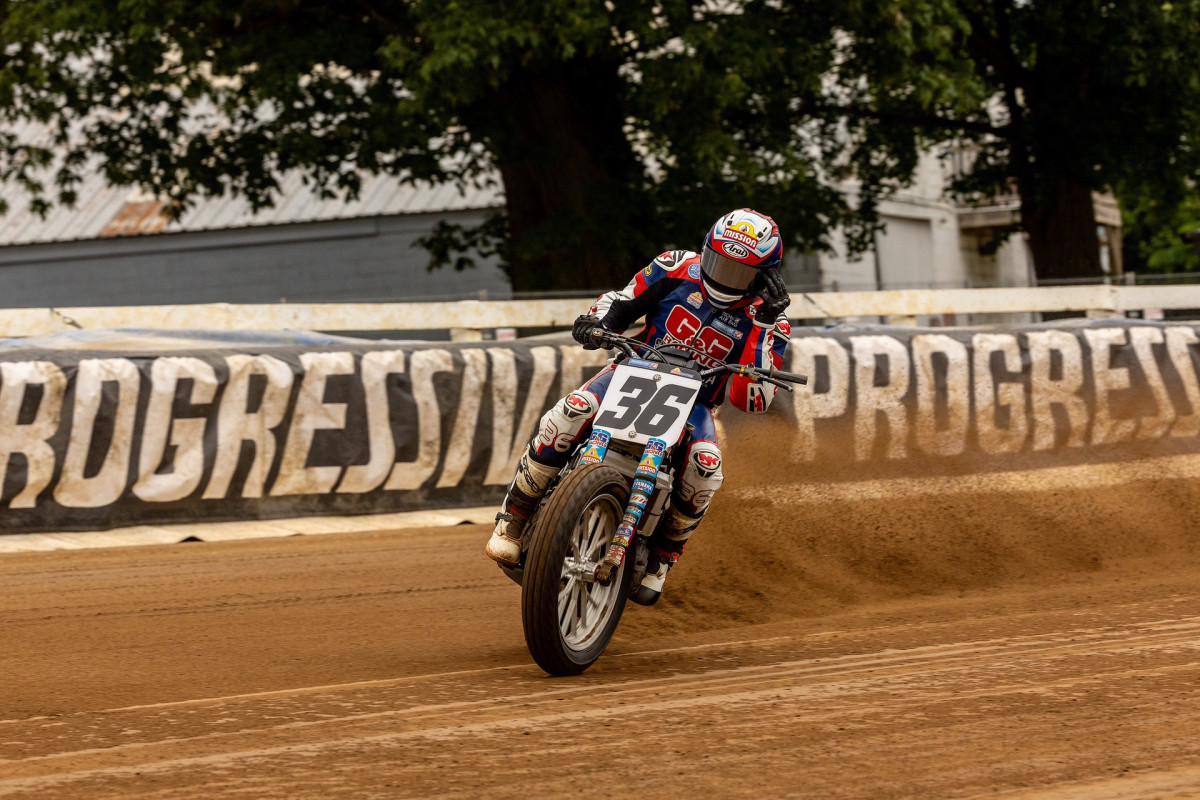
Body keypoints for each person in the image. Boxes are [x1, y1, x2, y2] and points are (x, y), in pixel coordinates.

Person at [485, 208, 792, 602]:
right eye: (719, 263)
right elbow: (622, 301)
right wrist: (596, 323)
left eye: (740, 273)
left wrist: (763, 324)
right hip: (631, 370)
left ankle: (663, 557)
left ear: (765, 277)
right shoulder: (675, 266)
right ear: (705, 250)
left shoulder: (772, 323)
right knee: (572, 409)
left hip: (696, 402)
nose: (724, 277)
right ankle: (515, 516)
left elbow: (752, 399)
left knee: (705, 466)